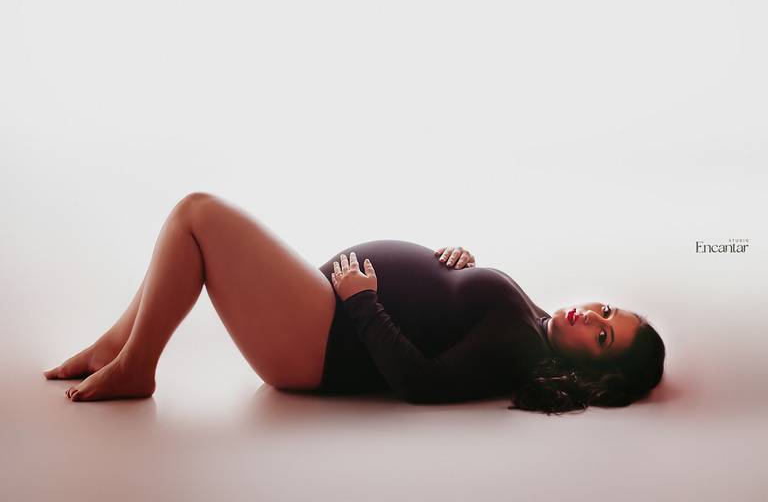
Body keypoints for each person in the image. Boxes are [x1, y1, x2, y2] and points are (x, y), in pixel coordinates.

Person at [43, 192, 665, 414]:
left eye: (603, 337)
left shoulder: (522, 345)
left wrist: (364, 301)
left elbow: (424, 383)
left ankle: (138, 367)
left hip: (324, 341)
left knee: (197, 215)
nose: (594, 317)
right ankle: (116, 347)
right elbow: (452, 319)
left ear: (593, 370)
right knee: (195, 222)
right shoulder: (529, 323)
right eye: (608, 312)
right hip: (325, 317)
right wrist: (455, 268)